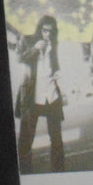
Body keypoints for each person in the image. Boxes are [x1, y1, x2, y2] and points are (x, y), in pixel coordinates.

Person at [15, 15, 65, 173]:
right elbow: (20, 58)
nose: (47, 34)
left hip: (51, 94)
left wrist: (57, 72)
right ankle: (25, 173)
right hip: (33, 96)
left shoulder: (53, 44)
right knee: (26, 138)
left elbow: (55, 64)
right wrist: (35, 49)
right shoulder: (28, 39)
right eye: (44, 30)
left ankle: (59, 171)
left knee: (56, 137)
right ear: (39, 29)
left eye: (51, 31)